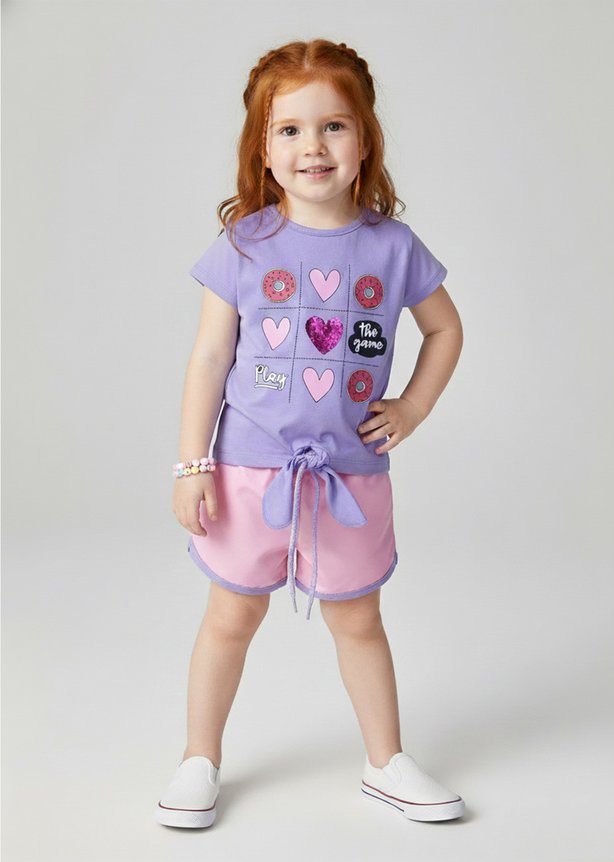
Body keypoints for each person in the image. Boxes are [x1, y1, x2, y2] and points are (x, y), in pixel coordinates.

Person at [156, 38, 465, 829]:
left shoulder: (393, 248)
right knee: (231, 616)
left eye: (333, 126)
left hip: (349, 474)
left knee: (358, 620)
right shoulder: (243, 245)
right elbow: (209, 358)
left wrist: (412, 407)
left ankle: (385, 761)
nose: (313, 147)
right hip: (248, 473)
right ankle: (198, 758)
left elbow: (445, 330)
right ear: (263, 148)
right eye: (289, 130)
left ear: (365, 138)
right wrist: (192, 463)